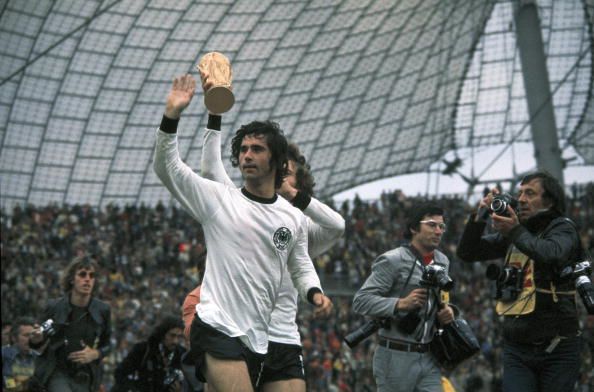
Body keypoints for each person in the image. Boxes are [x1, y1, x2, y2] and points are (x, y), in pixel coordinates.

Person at [153, 73, 333, 391]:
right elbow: (168, 168)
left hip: (259, 338)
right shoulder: (220, 199)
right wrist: (172, 114)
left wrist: (313, 292)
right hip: (218, 326)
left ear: (277, 160)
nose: (247, 155)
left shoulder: (290, 216)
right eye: (244, 149)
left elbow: (300, 263)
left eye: (258, 149)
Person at [456, 171, 582, 392]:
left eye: (530, 193)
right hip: (517, 348)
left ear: (549, 200)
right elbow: (467, 252)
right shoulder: (515, 233)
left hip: (558, 347)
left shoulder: (562, 228)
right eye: (520, 193)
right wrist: (480, 216)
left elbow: (550, 253)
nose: (521, 199)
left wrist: (515, 230)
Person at [352, 203, 455, 392]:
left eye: (441, 226)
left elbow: (441, 299)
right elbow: (360, 301)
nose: (438, 231)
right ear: (414, 228)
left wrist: (447, 311)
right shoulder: (393, 260)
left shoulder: (443, 261)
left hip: (429, 355)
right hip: (395, 356)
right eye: (432, 225)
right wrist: (400, 303)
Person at [29, 256, 112, 392]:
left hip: (86, 375)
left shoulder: (103, 310)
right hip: (57, 371)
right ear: (72, 279)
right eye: (82, 274)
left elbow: (107, 344)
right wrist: (36, 338)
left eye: (92, 276)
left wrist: (95, 353)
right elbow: (38, 338)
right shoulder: (54, 307)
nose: (87, 279)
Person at [113, 315, 185, 392]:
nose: (175, 341)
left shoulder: (182, 355)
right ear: (163, 334)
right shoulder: (144, 350)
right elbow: (120, 373)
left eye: (179, 337)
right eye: (172, 335)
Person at [2, 317, 36, 391]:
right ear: (14, 338)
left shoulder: (38, 357)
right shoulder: (4, 354)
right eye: (26, 335)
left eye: (32, 335)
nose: (30, 339)